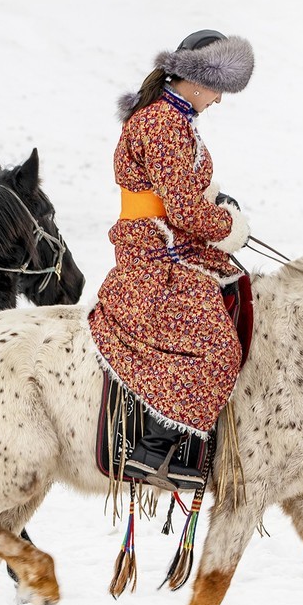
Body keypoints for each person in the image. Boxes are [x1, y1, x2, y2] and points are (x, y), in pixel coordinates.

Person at [87, 29, 255, 490]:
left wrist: (216, 201)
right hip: (157, 253)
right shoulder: (163, 123)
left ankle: (184, 449)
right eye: (218, 90)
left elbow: (180, 191)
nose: (219, 100)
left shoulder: (174, 119)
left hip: (170, 243)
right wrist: (230, 227)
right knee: (220, 350)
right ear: (197, 81)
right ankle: (156, 446)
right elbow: (181, 210)